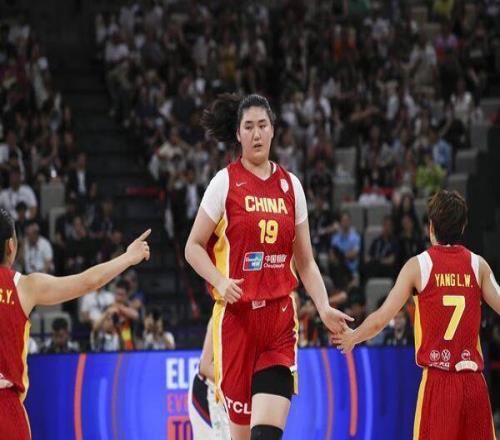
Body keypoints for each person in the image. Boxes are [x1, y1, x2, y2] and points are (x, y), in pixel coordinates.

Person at [185, 93, 352, 440]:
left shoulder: (291, 186)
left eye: (263, 125)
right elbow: (192, 247)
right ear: (238, 134)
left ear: (273, 130)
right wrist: (219, 280)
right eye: (248, 127)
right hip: (237, 322)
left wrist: (323, 307)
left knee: (266, 436)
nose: (257, 134)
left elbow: (305, 261)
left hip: (278, 322)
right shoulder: (224, 182)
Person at [333, 190, 500, 440]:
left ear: (431, 227)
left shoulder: (420, 266)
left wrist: (353, 337)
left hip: (439, 382)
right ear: (463, 226)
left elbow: (382, 317)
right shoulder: (478, 265)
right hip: (474, 384)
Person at [0, 208, 151, 440]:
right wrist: (128, 257)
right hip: (6, 409)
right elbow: (88, 282)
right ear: (11, 246)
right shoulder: (25, 286)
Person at [188, 318, 230, 440]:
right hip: (207, 389)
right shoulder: (221, 315)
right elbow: (205, 367)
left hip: (227, 394)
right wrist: (236, 385)